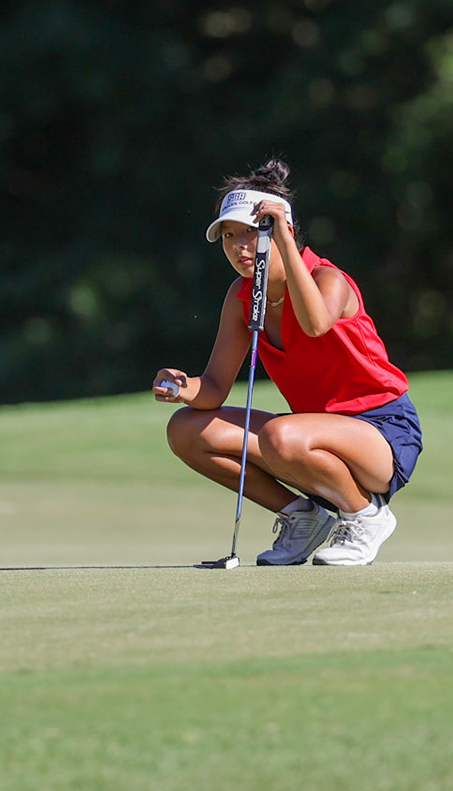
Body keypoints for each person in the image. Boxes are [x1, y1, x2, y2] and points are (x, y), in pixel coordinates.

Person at [154, 160, 422, 566]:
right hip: (307, 441)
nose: (239, 246)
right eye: (229, 236)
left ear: (285, 230)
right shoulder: (241, 297)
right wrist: (179, 386)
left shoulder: (328, 279)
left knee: (281, 435)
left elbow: (315, 324)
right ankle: (303, 518)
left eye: (250, 232)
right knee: (188, 430)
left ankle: (366, 516)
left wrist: (282, 236)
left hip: (383, 432)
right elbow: (211, 390)